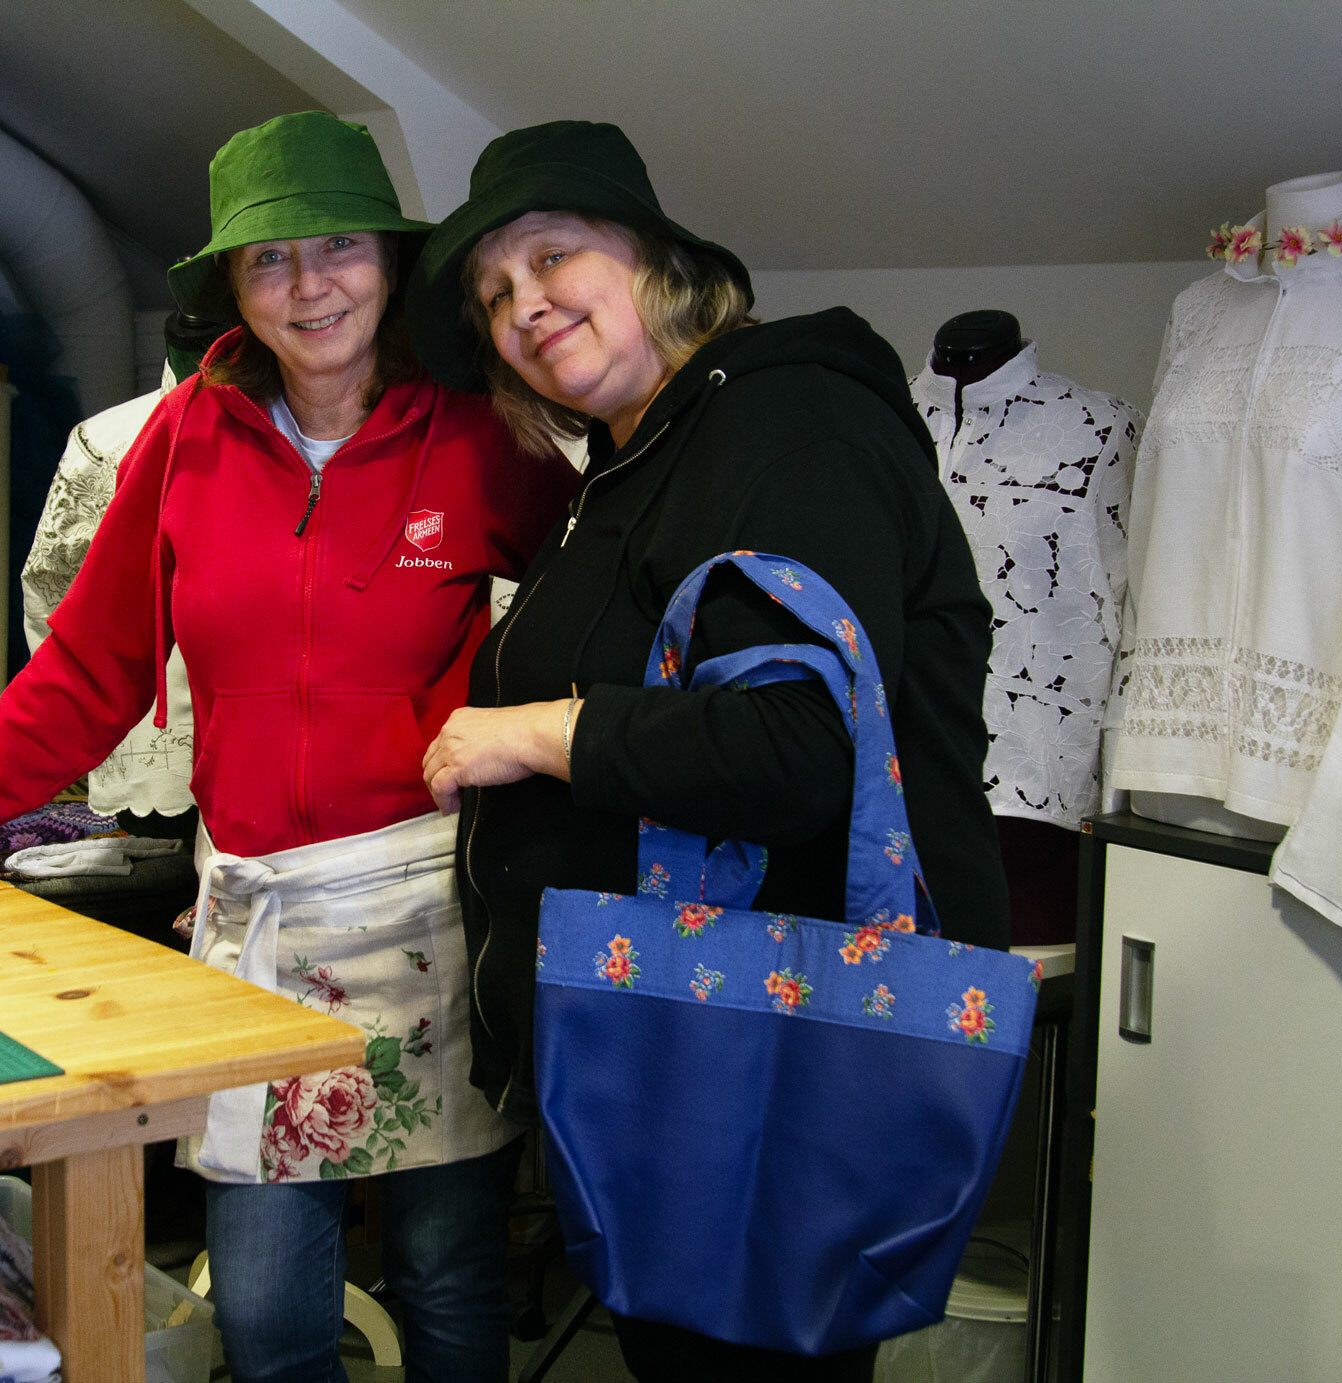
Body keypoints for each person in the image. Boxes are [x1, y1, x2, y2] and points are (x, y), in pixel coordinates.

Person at [0, 111, 576, 1383]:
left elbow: (591, 606)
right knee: (269, 1312)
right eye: (269, 260)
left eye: (337, 246)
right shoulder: (184, 441)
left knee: (451, 1283)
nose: (310, 285)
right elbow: (92, 666)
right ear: (232, 286)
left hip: (435, 907)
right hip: (259, 915)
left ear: (389, 264)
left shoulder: (476, 437)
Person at [406, 120, 1009, 1382]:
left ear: (660, 263)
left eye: (554, 256)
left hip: (762, 1055)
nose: (526, 306)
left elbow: (800, 750)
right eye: (495, 294)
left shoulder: (788, 428)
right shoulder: (636, 458)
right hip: (678, 1049)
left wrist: (539, 731)